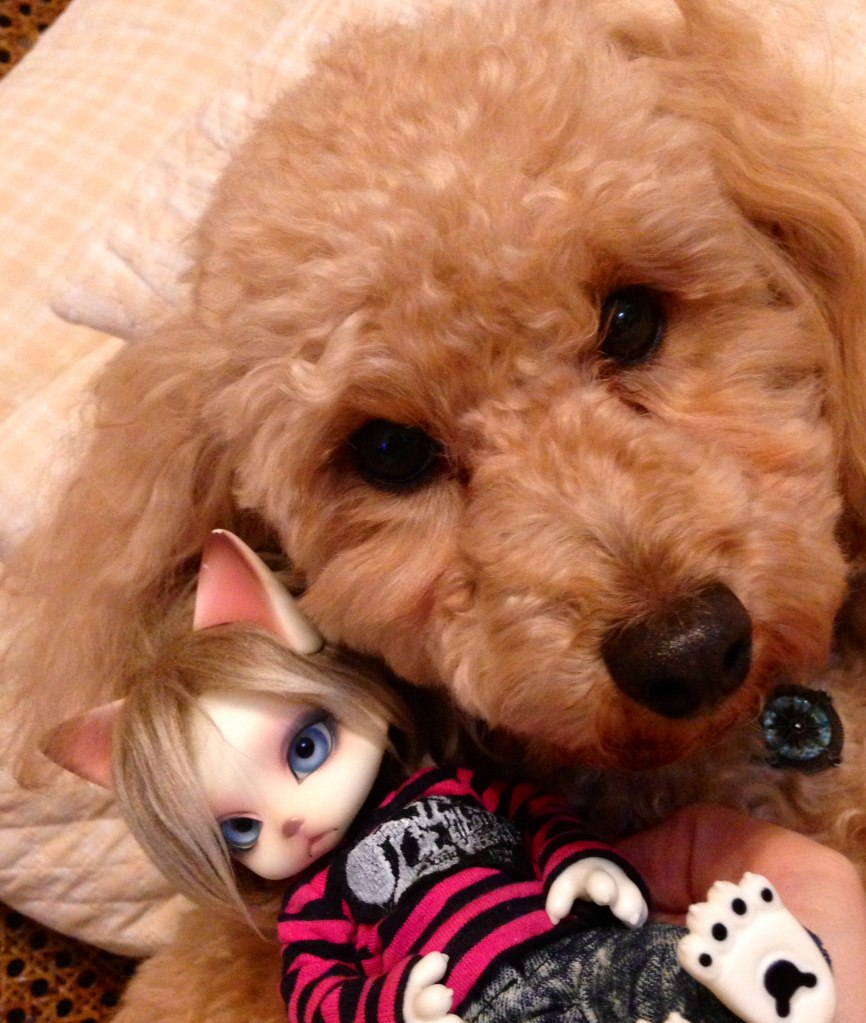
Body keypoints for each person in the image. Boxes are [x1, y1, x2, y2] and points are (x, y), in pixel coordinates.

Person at [46, 531, 840, 1023]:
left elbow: (534, 821)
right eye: (239, 826)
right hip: (483, 1001)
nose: (289, 817)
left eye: (307, 748)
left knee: (644, 971)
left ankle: (765, 977)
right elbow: (318, 992)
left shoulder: (461, 789)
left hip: (574, 942)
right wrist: (389, 1004)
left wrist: (581, 863)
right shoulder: (312, 910)